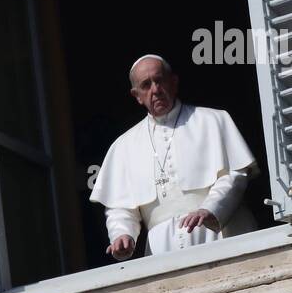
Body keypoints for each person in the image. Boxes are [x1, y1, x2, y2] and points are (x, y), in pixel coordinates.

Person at [90, 55, 257, 260]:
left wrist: (210, 209)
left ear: (174, 82)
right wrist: (122, 234)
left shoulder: (213, 120)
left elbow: (235, 174)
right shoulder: (123, 146)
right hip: (162, 247)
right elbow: (120, 207)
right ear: (137, 96)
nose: (155, 89)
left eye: (159, 80)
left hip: (217, 232)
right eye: (146, 85)